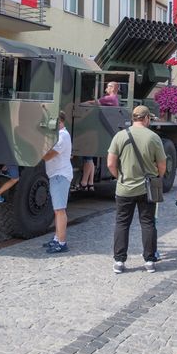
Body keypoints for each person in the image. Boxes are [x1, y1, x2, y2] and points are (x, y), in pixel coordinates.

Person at [107, 105, 166, 274]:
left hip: (124, 187)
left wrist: (120, 177)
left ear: (133, 118)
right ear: (146, 118)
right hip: (147, 188)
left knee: (122, 223)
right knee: (148, 223)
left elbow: (110, 163)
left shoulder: (120, 136)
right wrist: (157, 177)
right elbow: (162, 164)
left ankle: (119, 261)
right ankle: (149, 260)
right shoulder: (153, 137)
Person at [78, 81, 121, 190]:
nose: (106, 88)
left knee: (88, 157)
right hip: (99, 131)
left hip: (96, 130)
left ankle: (84, 182)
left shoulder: (109, 98)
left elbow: (92, 102)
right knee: (90, 158)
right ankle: (90, 182)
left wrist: (80, 105)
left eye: (108, 86)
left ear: (112, 88)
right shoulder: (114, 99)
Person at [44, 111, 74, 253]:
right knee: (57, 210)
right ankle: (57, 238)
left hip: (60, 175)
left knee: (60, 210)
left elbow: (48, 156)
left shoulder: (63, 136)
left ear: (59, 122)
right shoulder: (60, 135)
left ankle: (62, 242)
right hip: (56, 174)